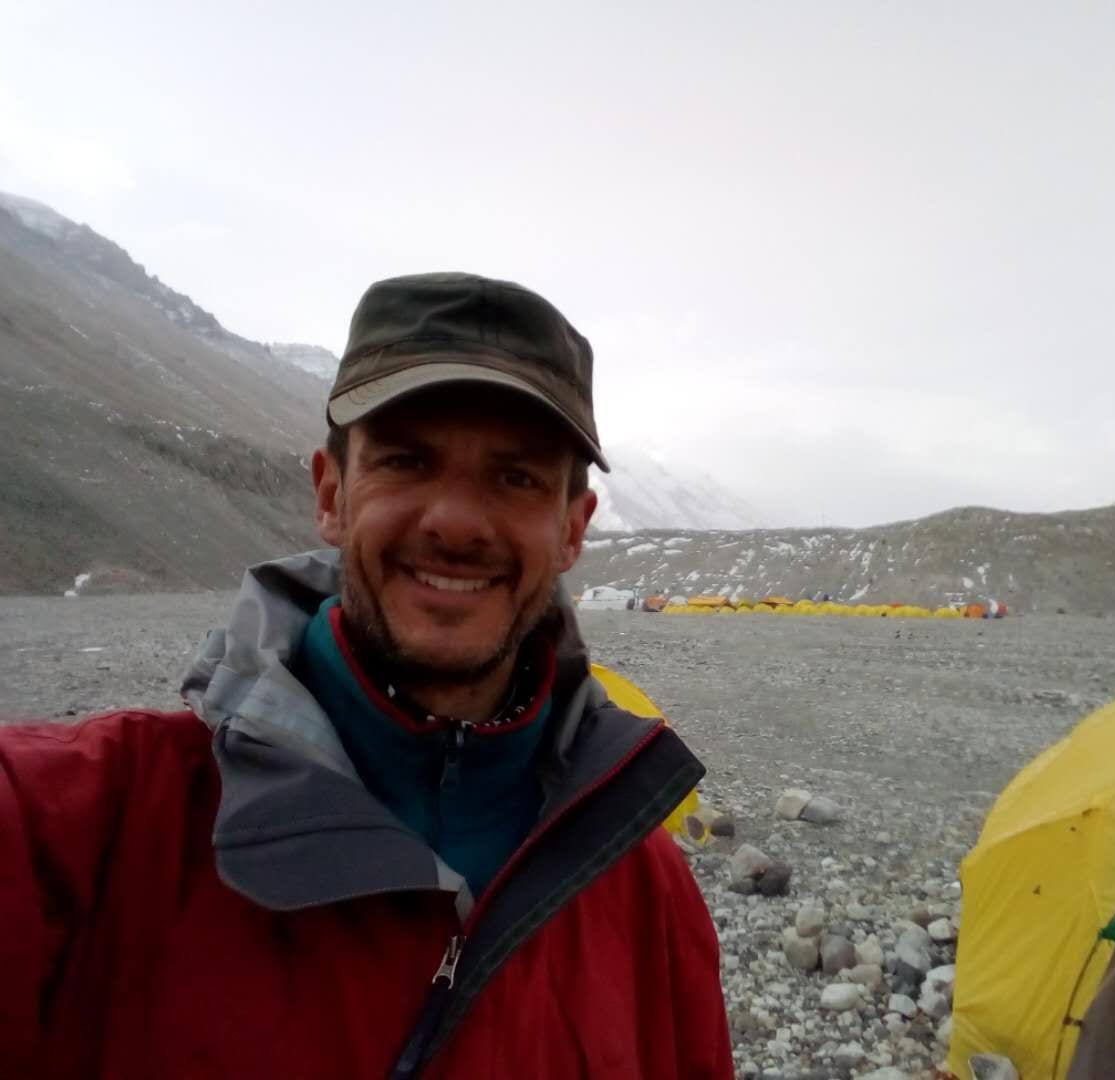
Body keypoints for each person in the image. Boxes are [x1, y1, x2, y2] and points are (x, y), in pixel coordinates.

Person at [0, 273, 733, 1079]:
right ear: (331, 495)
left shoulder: (647, 893)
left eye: (516, 477)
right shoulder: (82, 828)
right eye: (407, 461)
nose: (455, 522)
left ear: (572, 530)